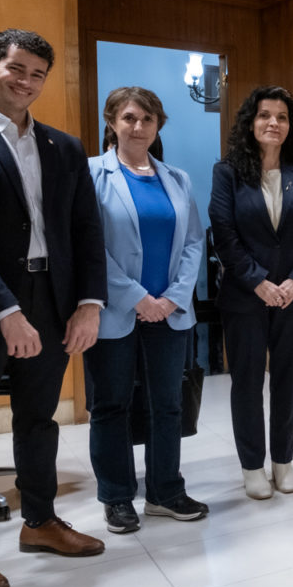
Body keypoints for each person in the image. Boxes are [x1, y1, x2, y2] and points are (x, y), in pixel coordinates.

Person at [0, 28, 107, 587]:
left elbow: (86, 231)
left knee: (39, 419)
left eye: (37, 74)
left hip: (52, 300)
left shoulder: (64, 147)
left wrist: (88, 304)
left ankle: (38, 522)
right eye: (16, 68)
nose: (26, 82)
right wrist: (5, 309)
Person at [85, 87, 207, 532]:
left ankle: (165, 491)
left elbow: (194, 240)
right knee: (111, 405)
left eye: (148, 120)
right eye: (130, 118)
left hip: (170, 313)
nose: (139, 127)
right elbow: (89, 247)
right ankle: (117, 497)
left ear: (159, 126)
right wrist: (137, 297)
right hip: (115, 310)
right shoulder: (92, 173)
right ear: (112, 121)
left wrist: (174, 297)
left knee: (168, 405)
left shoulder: (177, 178)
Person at [209, 86, 293, 500]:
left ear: (290, 126)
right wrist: (258, 281)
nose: (273, 123)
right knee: (247, 383)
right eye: (264, 115)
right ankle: (253, 466)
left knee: (288, 382)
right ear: (250, 122)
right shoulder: (227, 172)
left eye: (281, 117)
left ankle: (283, 461)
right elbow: (224, 234)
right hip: (245, 298)